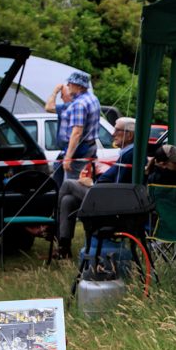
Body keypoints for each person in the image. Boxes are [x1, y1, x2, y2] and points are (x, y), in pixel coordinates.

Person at [54, 117, 136, 259]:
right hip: (108, 195)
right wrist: (94, 181)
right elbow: (112, 178)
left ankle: (53, 228)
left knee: (68, 184)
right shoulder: (127, 152)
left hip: (112, 202)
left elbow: (118, 183)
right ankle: (64, 246)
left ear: (129, 135)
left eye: (117, 130)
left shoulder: (130, 154)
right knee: (68, 200)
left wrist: (92, 184)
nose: (112, 133)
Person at [45, 71, 101, 182]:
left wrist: (68, 157)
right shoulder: (92, 98)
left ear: (79, 86)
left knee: (72, 185)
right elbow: (49, 107)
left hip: (79, 149)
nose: (68, 85)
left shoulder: (79, 104)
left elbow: (77, 133)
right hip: (88, 146)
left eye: (71, 83)